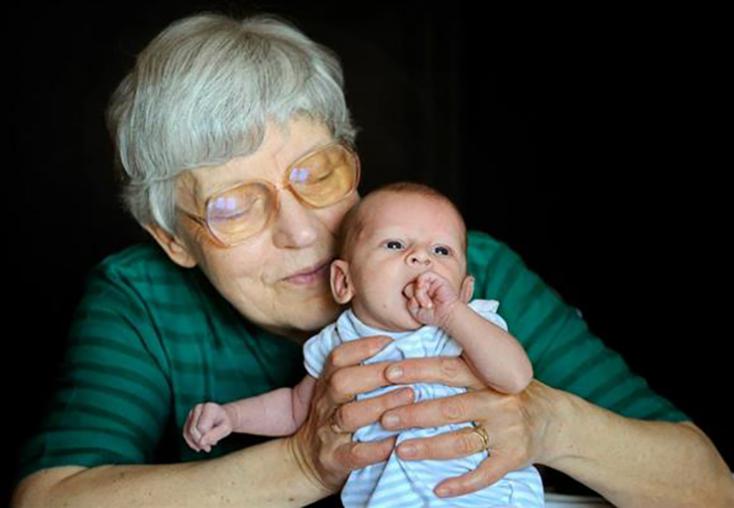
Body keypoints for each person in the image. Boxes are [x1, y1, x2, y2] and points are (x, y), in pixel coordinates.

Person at [10, 12, 733, 508]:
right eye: (234, 206)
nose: (303, 231)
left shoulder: (455, 271)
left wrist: (548, 424)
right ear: (175, 240)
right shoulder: (139, 298)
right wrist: (302, 462)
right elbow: (50, 499)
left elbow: (709, 485)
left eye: (316, 173)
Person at [183, 182, 544, 507]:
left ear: (464, 291)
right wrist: (232, 417)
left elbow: (514, 377)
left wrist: (454, 315)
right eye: (395, 244)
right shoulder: (337, 345)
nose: (422, 258)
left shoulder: (470, 327)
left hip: (486, 497)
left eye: (442, 250)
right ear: (345, 282)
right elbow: (295, 408)